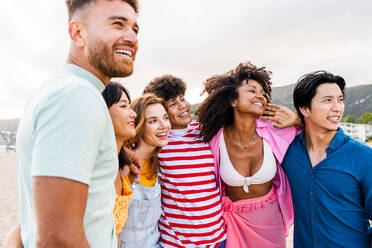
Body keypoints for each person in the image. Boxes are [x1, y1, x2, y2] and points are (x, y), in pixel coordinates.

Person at [15, 0, 139, 247]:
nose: (131, 37)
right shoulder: (75, 96)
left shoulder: (62, 90)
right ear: (77, 33)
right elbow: (56, 238)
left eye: (135, 29)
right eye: (117, 24)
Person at [196, 62, 302, 248]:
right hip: (231, 223)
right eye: (252, 91)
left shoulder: (275, 131)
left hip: (270, 223)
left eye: (262, 92)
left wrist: (298, 120)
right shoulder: (213, 137)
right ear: (233, 100)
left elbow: (315, 136)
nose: (260, 96)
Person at [282, 71, 372, 248]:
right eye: (328, 100)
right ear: (304, 109)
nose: (337, 107)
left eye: (340, 99)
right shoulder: (287, 152)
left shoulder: (363, 157)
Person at [143, 75, 227, 248]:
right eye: (173, 104)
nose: (183, 106)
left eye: (182, 98)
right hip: (178, 243)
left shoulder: (205, 132)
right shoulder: (157, 143)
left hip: (219, 239)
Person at [118, 94, 171, 247]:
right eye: (153, 121)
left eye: (165, 118)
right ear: (138, 124)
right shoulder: (122, 166)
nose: (164, 125)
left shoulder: (157, 163)